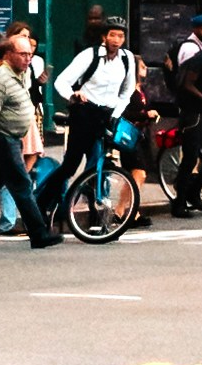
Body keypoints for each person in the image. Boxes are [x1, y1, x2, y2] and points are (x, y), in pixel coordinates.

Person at [46, 14, 142, 236]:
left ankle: (96, 216)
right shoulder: (89, 56)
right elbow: (61, 81)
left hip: (106, 115)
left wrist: (115, 114)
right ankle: (44, 202)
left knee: (99, 166)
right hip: (84, 113)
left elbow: (127, 91)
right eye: (112, 35)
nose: (116, 40)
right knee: (70, 166)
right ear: (104, 37)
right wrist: (73, 95)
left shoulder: (127, 59)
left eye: (120, 36)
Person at [0, 21, 51, 240]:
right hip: (3, 139)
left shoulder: (22, 73)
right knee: (22, 184)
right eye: (22, 54)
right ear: (8, 55)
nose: (28, 58)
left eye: (30, 54)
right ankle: (39, 234)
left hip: (14, 138)